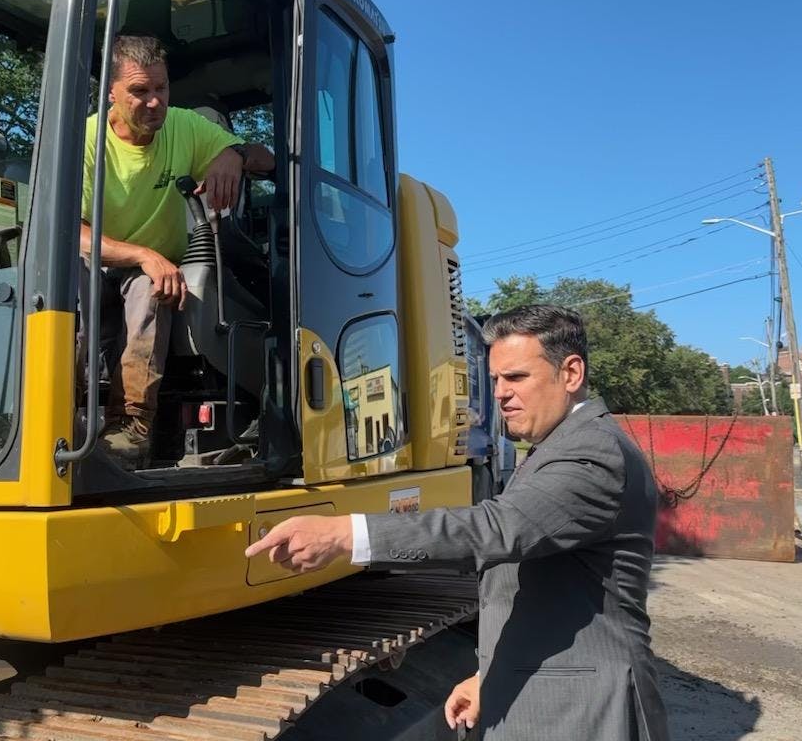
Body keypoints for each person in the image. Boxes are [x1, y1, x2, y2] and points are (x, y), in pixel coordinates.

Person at [246, 305, 670, 740]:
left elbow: (498, 528)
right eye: (496, 380)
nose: (501, 393)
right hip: (541, 689)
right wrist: (492, 674)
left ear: (572, 372)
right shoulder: (558, 446)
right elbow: (534, 587)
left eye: (517, 377)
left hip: (581, 708)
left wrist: (345, 533)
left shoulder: (592, 454)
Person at [79, 35, 274, 465]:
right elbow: (74, 234)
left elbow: (269, 158)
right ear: (111, 92)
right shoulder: (88, 141)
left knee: (150, 288)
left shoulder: (185, 126)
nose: (154, 102)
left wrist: (235, 153)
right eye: (139, 91)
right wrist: (145, 254)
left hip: (150, 274)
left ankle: (131, 425)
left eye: (161, 89)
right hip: (94, 263)